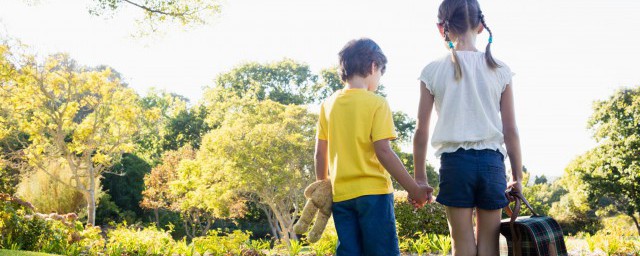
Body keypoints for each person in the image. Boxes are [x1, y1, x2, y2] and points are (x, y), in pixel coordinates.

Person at [411, 0, 524, 255]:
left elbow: (421, 130)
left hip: (454, 165)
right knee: (489, 246)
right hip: (492, 165)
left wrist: (420, 178)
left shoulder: (432, 71)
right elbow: (511, 130)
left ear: (441, 28)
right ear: (481, 26)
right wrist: (516, 176)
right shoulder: (500, 70)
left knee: (461, 244)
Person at [314, 38, 432, 256]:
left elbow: (320, 153)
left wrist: (323, 186)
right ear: (373, 66)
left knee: (349, 251)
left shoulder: (328, 105)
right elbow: (384, 151)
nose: (378, 80)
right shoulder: (377, 103)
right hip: (373, 195)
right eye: (380, 74)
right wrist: (413, 189)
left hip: (341, 197)